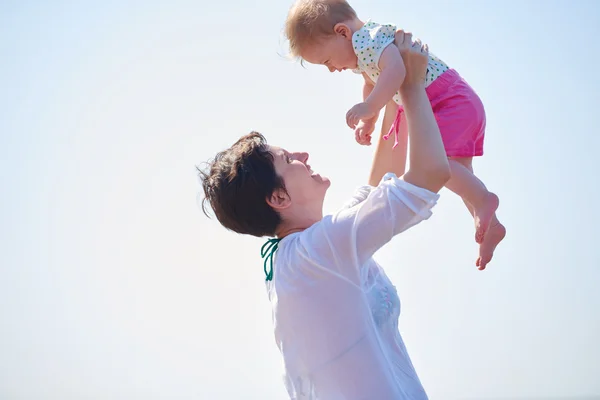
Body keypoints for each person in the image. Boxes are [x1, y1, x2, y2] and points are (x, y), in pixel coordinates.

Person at [200, 33, 447, 399]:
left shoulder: (304, 253)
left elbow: (379, 186)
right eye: (288, 160)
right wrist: (412, 86)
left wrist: (390, 95)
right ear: (279, 197)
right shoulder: (314, 253)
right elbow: (429, 176)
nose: (302, 154)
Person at [284, 0, 505, 269]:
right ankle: (489, 225)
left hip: (447, 101)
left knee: (441, 164)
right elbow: (373, 82)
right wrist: (370, 119)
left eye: (327, 61)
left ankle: (484, 199)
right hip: (452, 101)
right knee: (461, 174)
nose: (331, 69)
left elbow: (396, 71)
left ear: (342, 32)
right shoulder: (363, 54)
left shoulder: (368, 40)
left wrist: (369, 106)